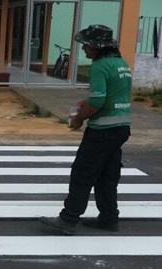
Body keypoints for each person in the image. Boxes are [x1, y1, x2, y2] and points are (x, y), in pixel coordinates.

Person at [39, 25, 132, 235]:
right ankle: (109, 218)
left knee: (83, 172)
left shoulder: (99, 66)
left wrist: (78, 118)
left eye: (86, 45)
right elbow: (114, 96)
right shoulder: (121, 63)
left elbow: (98, 101)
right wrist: (86, 102)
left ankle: (69, 219)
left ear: (97, 46)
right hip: (120, 129)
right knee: (107, 175)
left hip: (102, 131)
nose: (84, 49)